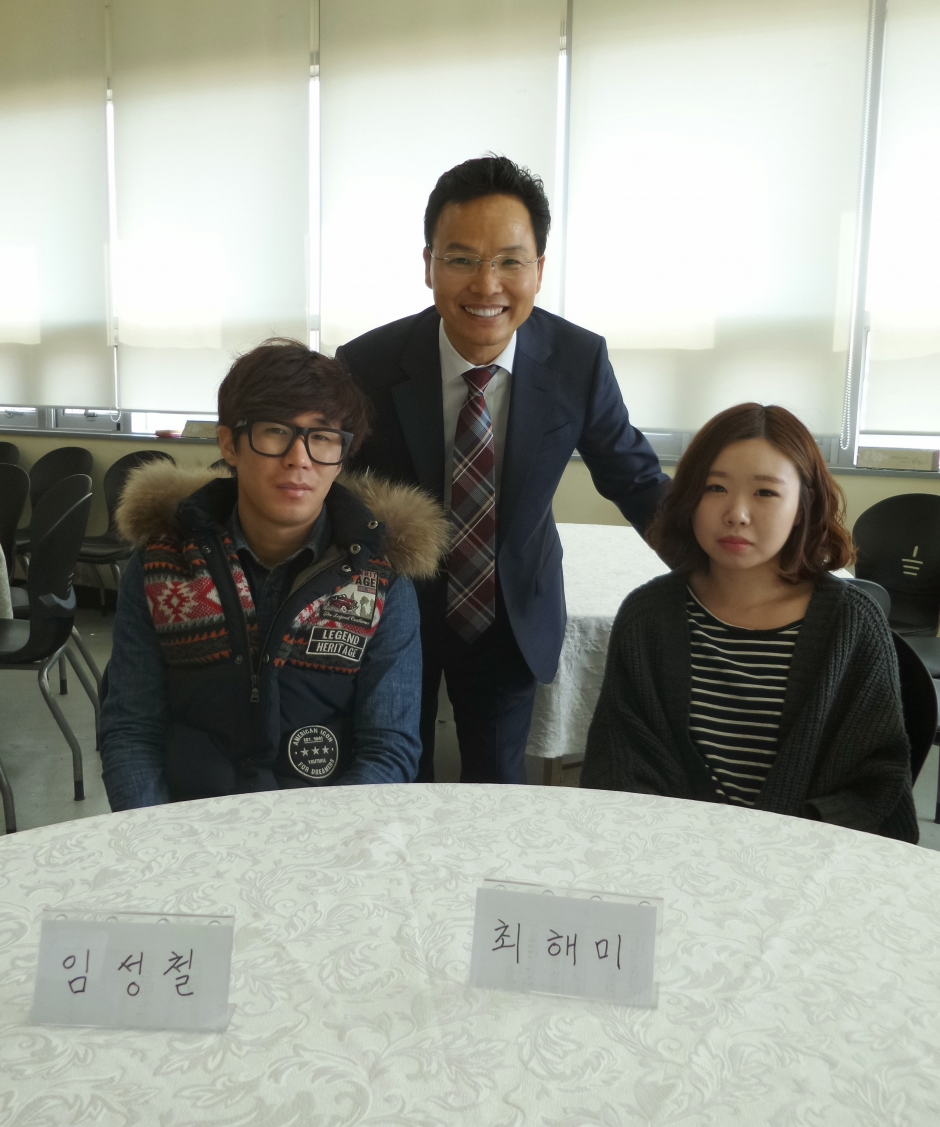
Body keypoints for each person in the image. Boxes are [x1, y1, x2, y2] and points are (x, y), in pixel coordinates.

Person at [337, 155, 668, 784]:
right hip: (393, 605)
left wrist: (725, 567)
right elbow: (325, 483)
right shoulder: (367, 364)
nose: (487, 285)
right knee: (393, 776)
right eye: (461, 259)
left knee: (496, 786)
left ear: (539, 269)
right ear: (428, 265)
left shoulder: (577, 360)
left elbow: (637, 481)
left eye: (510, 261)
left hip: (509, 608)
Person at [100, 339, 449, 810]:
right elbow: (130, 730)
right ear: (230, 444)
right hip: (185, 825)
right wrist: (157, 837)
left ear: (342, 455)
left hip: (326, 831)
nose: (299, 458)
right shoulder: (162, 567)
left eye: (322, 437)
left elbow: (389, 748)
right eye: (275, 431)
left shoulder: (381, 581)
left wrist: (322, 839)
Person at [581, 402, 918, 842]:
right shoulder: (648, 616)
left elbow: (878, 783)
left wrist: (773, 845)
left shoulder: (851, 623)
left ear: (802, 506)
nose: (737, 513)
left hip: (808, 860)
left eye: (765, 493)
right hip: (670, 854)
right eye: (715, 487)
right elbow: (619, 766)